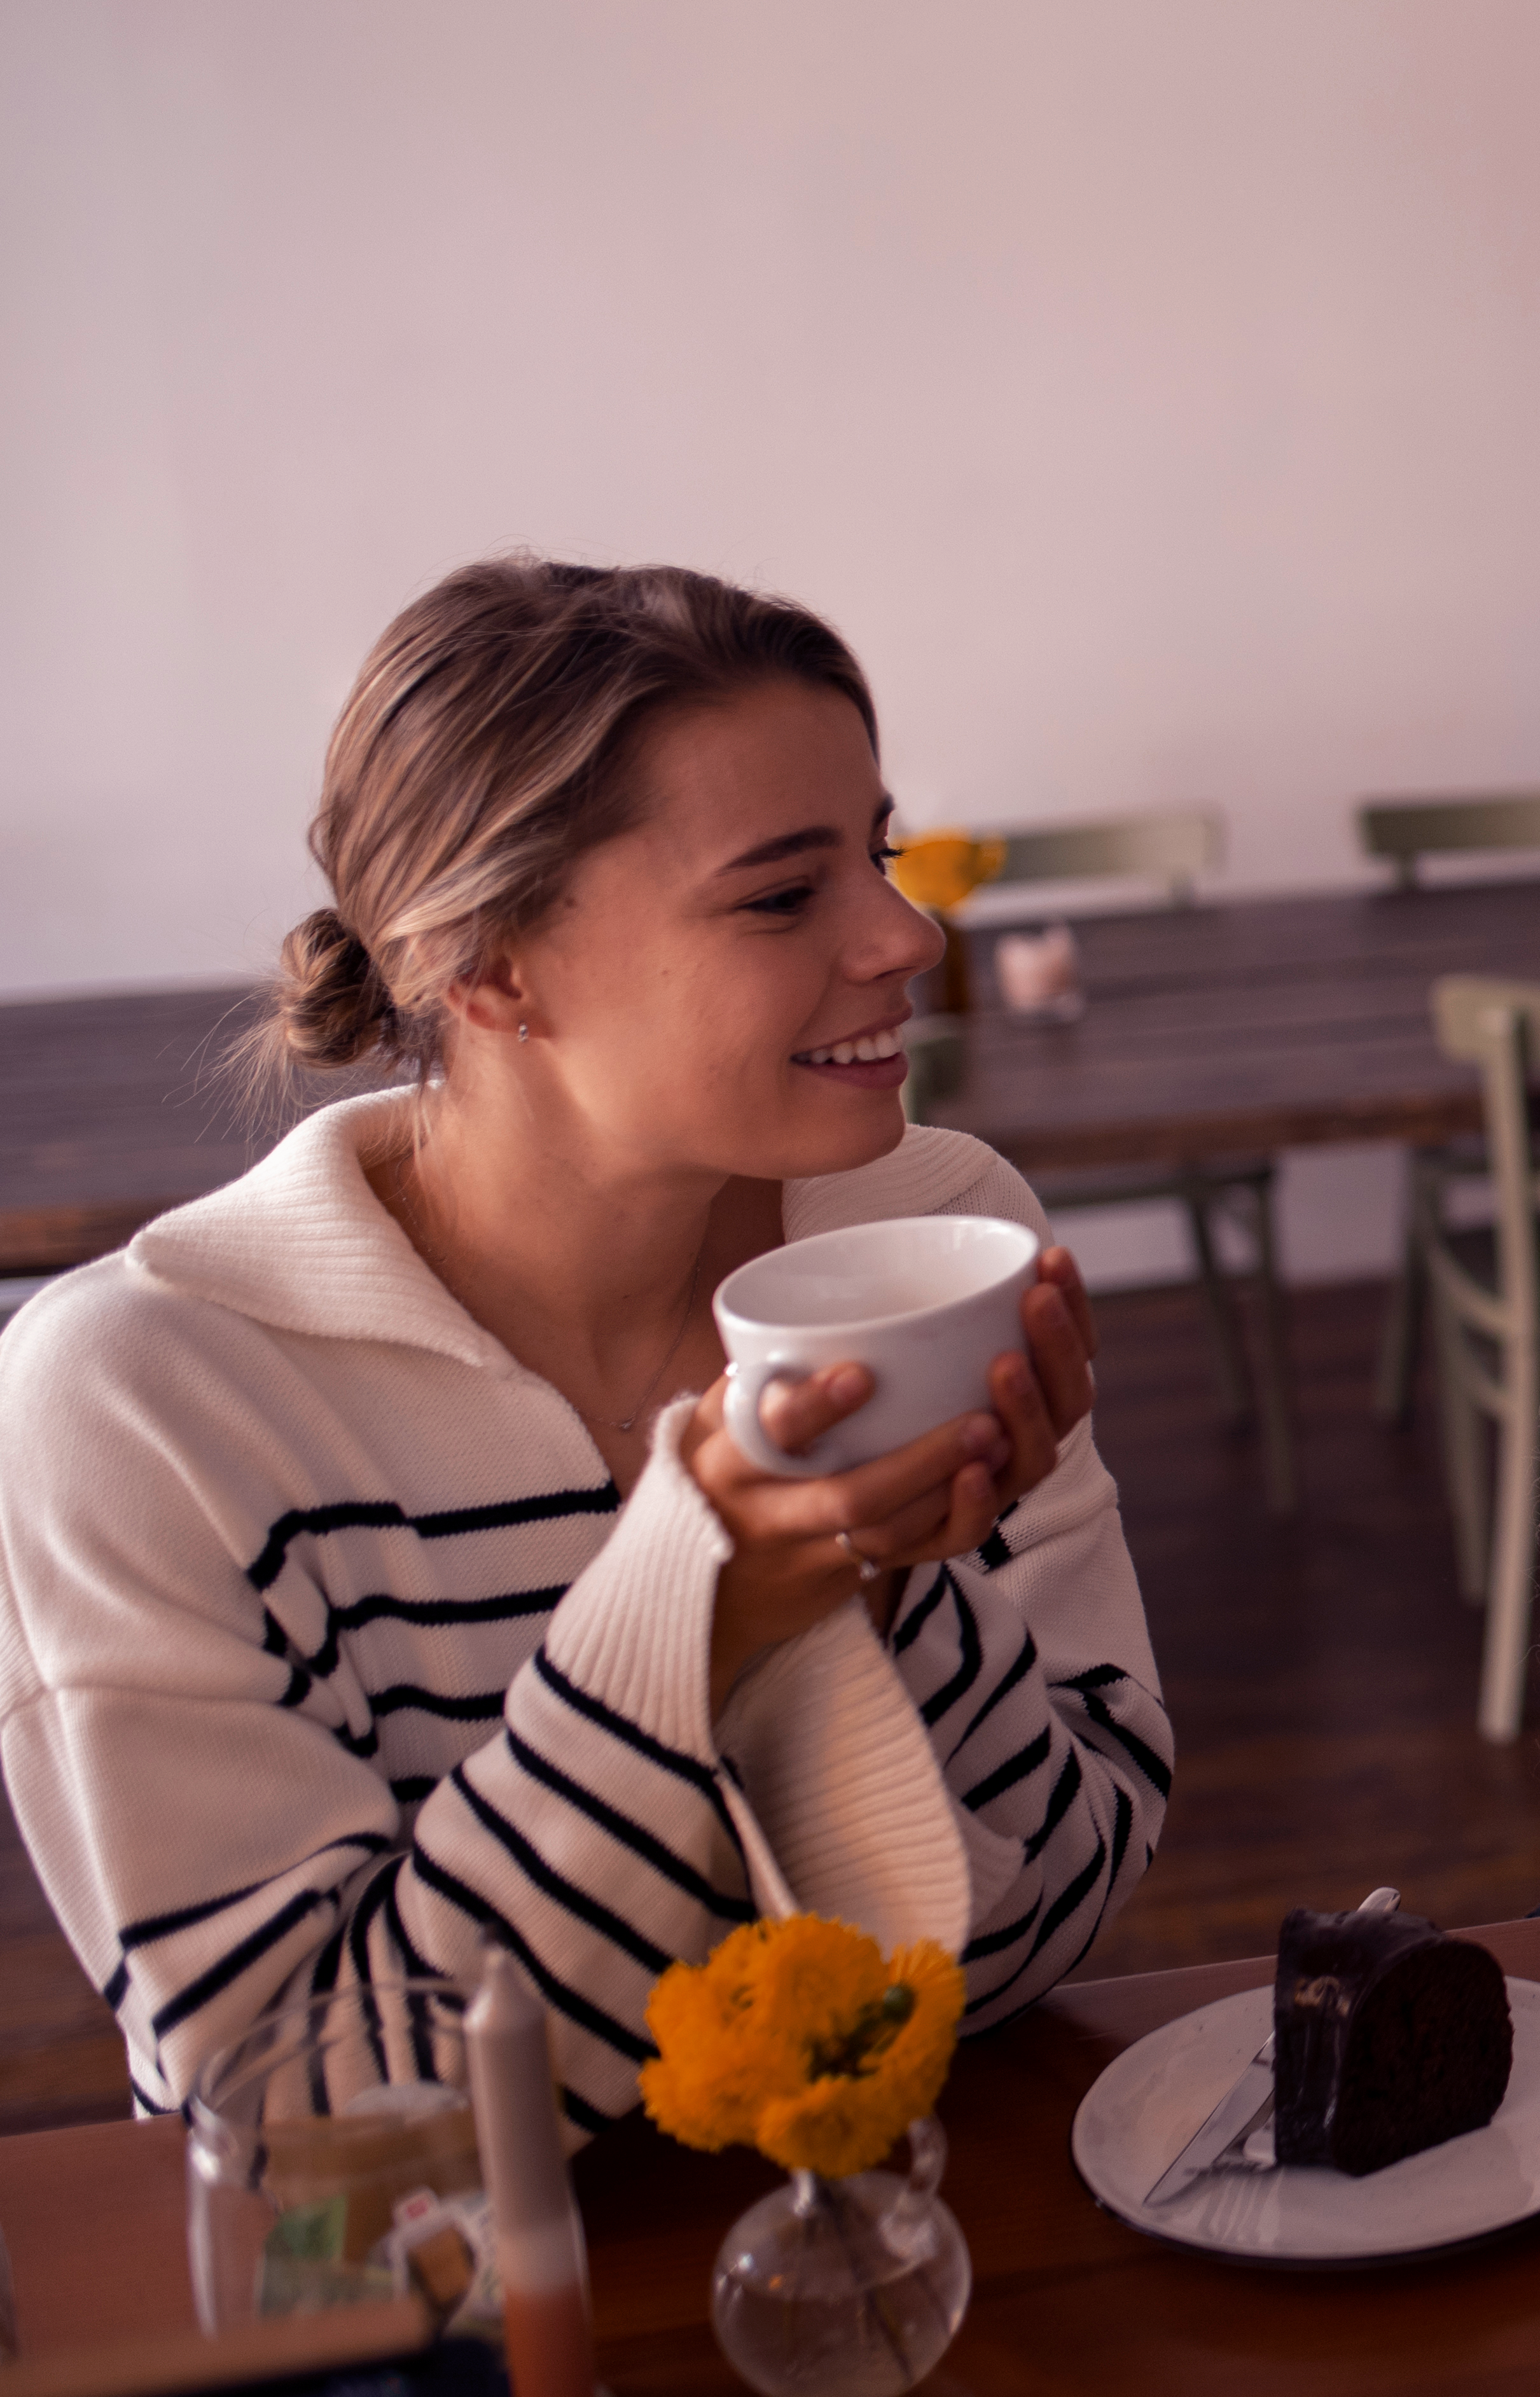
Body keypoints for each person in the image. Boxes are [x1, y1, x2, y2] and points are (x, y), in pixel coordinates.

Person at [0, 557, 1171, 2130]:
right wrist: (678, 1622)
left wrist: (877, 1587)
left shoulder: (933, 1238)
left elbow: (1060, 1912)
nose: (907, 933)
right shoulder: (145, 1401)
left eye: (880, 856)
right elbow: (305, 2118)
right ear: (484, 964)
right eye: (782, 891)